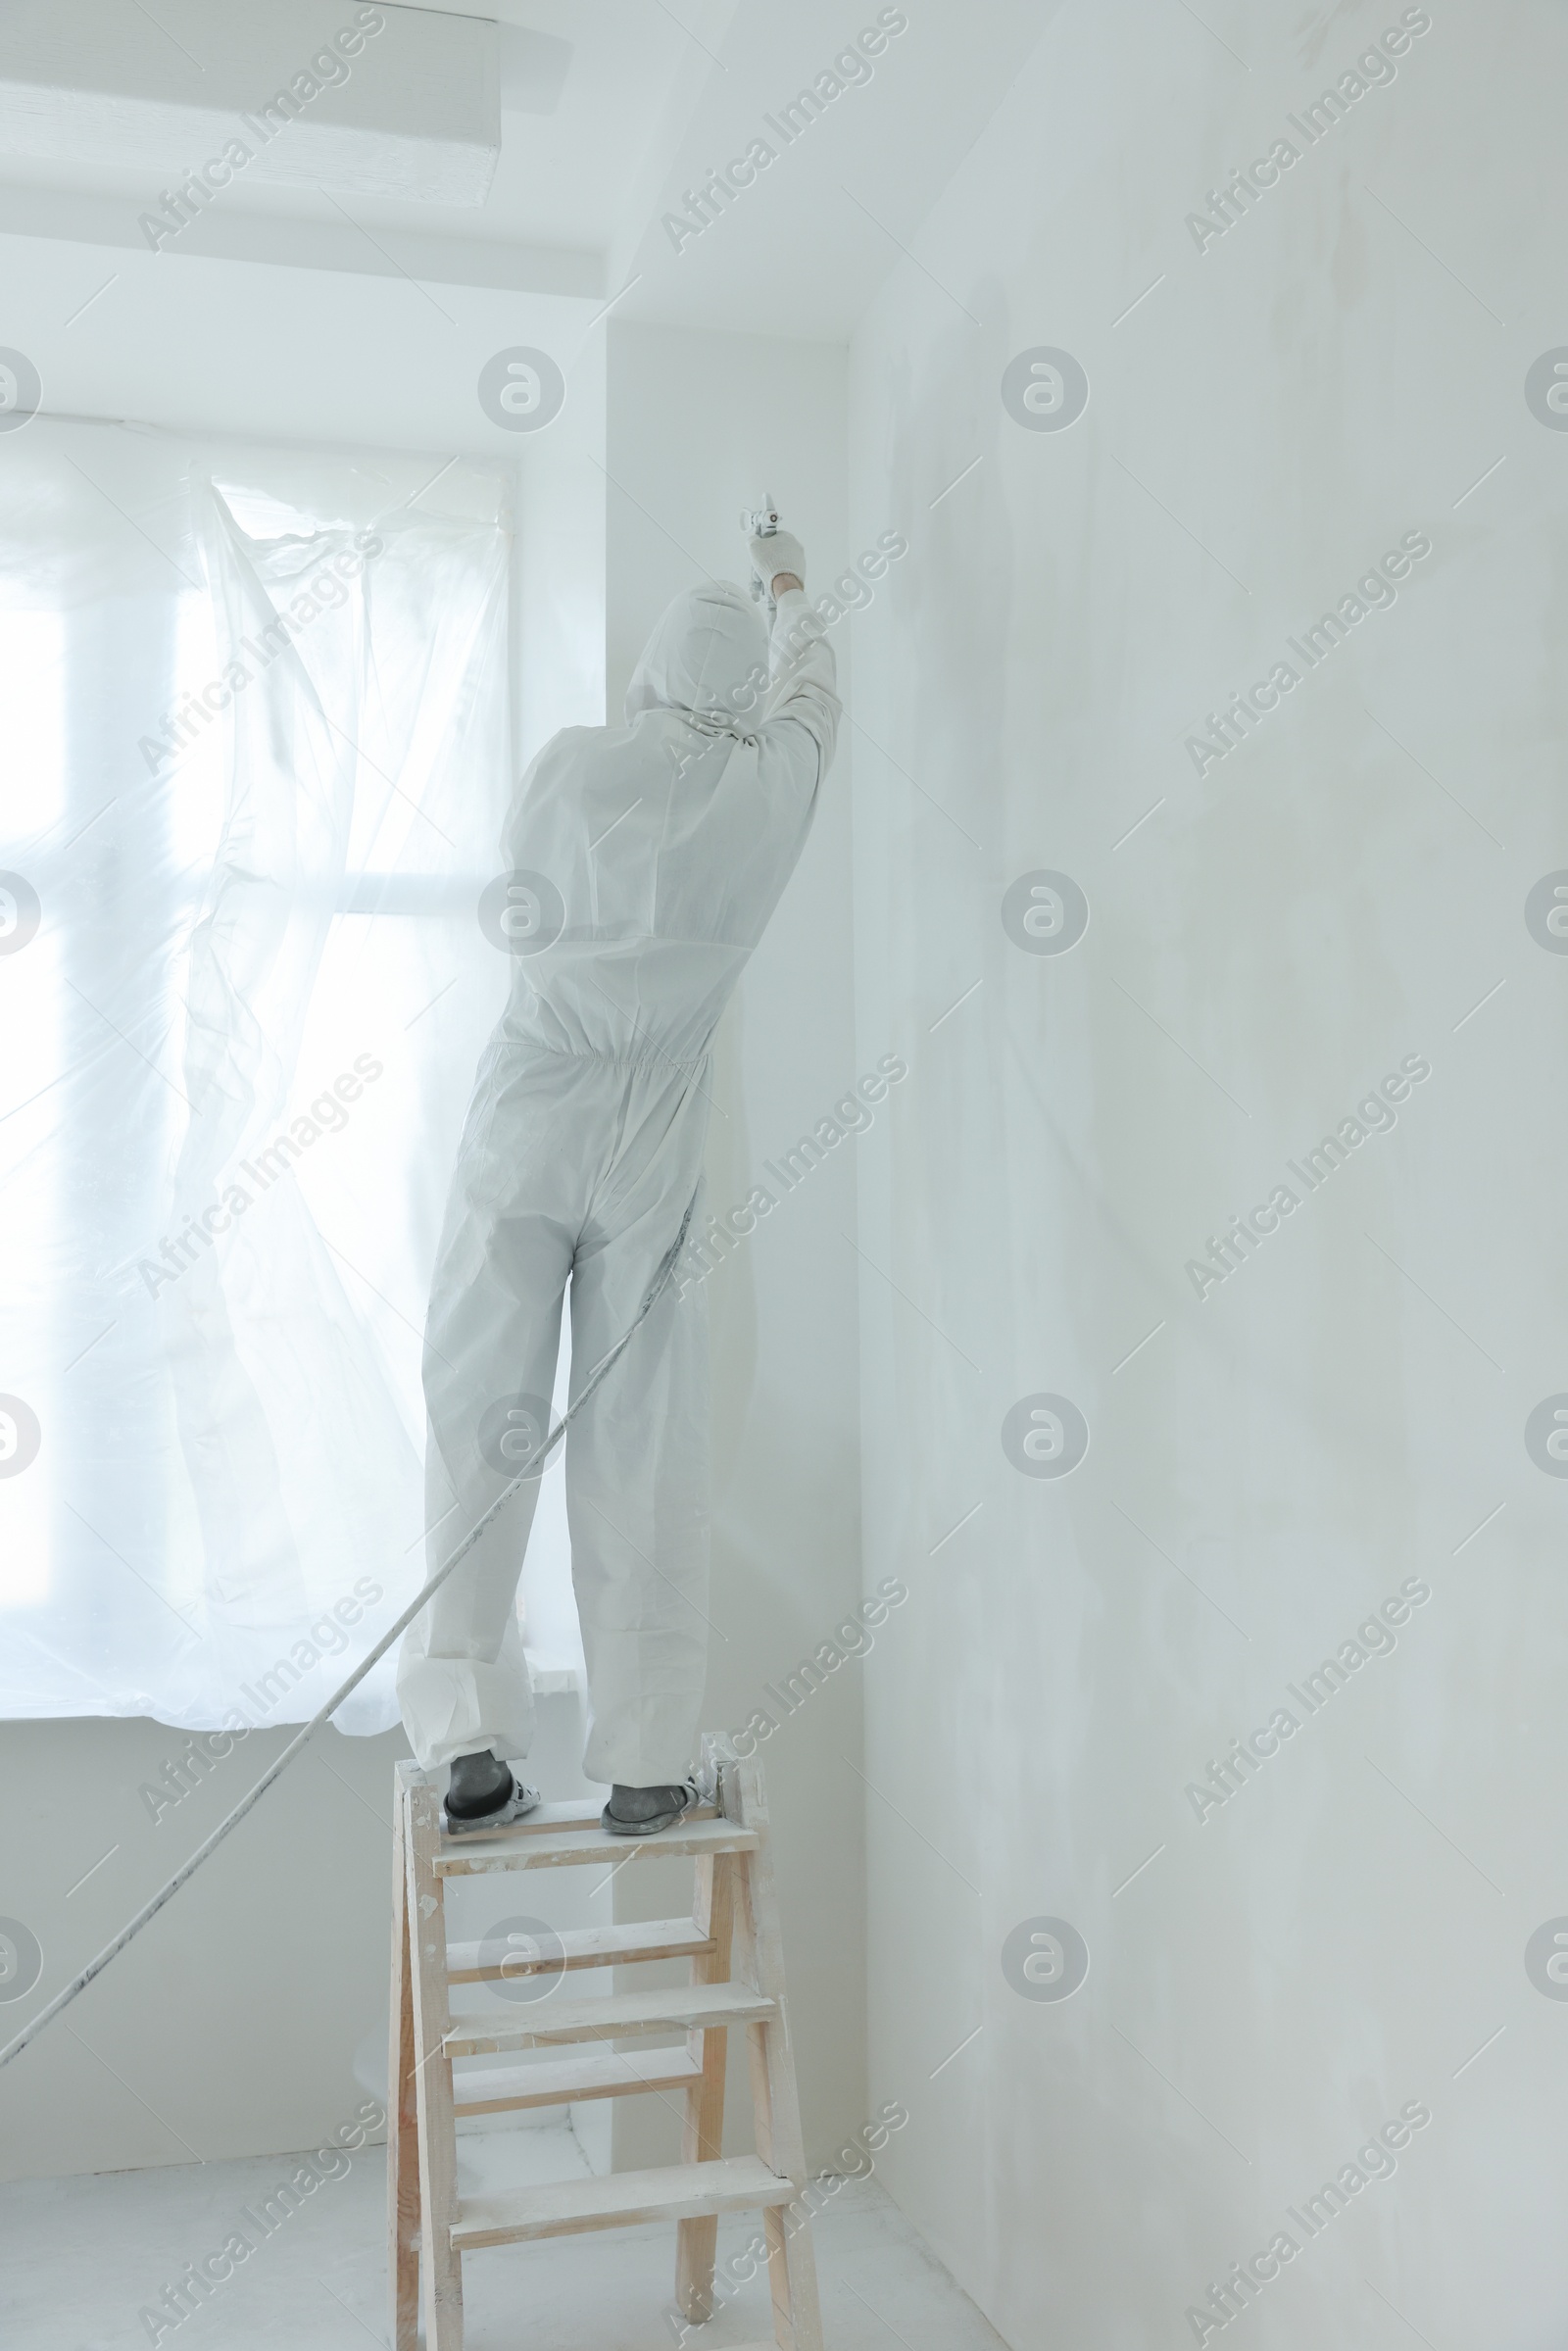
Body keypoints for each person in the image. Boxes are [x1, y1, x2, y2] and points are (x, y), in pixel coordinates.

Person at [397, 518, 840, 1837]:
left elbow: (522, 902)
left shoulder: (568, 770)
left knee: (481, 1415)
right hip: (655, 1134)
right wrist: (788, 588)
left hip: (531, 1105)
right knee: (645, 1440)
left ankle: (468, 1737)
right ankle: (645, 1761)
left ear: (649, 675)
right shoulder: (764, 795)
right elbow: (816, 696)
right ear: (741, 694)